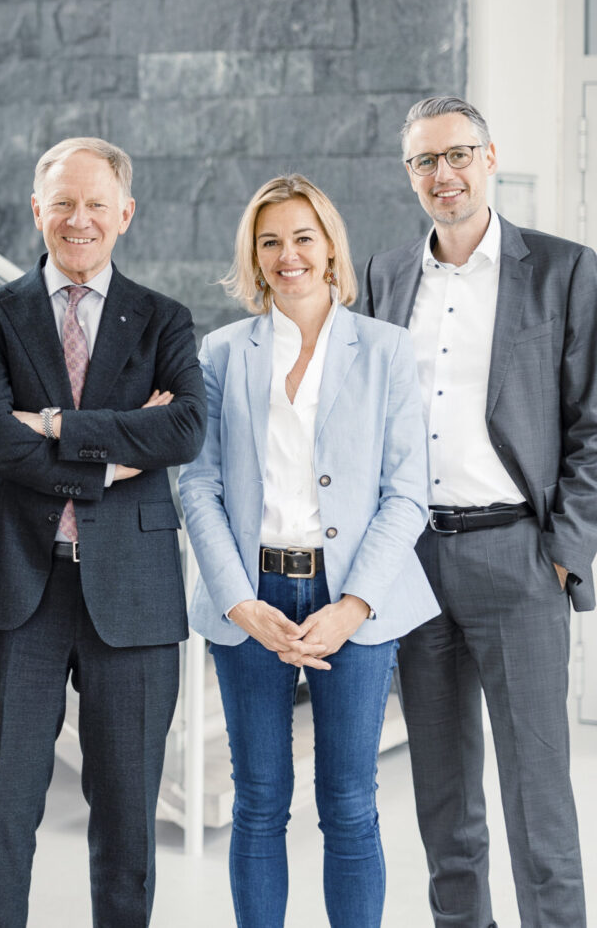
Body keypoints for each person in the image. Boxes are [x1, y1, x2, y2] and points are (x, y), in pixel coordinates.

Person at [0, 136, 204, 926]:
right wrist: (113, 451)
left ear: (125, 213)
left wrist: (56, 424)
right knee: (3, 813)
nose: (79, 218)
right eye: (62, 202)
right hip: (14, 590)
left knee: (128, 819)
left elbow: (185, 431)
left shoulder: (165, 319)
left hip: (131, 593)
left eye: (97, 202)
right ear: (37, 210)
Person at [179, 174, 437, 926]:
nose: (287, 254)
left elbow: (406, 493)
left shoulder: (387, 350)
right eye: (270, 242)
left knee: (350, 801)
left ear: (329, 248)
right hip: (252, 595)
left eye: (302, 237)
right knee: (257, 800)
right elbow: (199, 485)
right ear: (254, 258)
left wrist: (353, 606)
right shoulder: (222, 352)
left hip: (354, 595)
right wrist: (238, 600)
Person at [363, 95, 596, 927]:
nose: (444, 174)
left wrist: (564, 549)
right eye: (425, 161)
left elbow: (592, 423)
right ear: (410, 176)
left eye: (458, 154)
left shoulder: (565, 269)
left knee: (539, 799)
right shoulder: (387, 274)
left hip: (518, 559)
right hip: (416, 560)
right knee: (443, 797)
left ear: (489, 159)